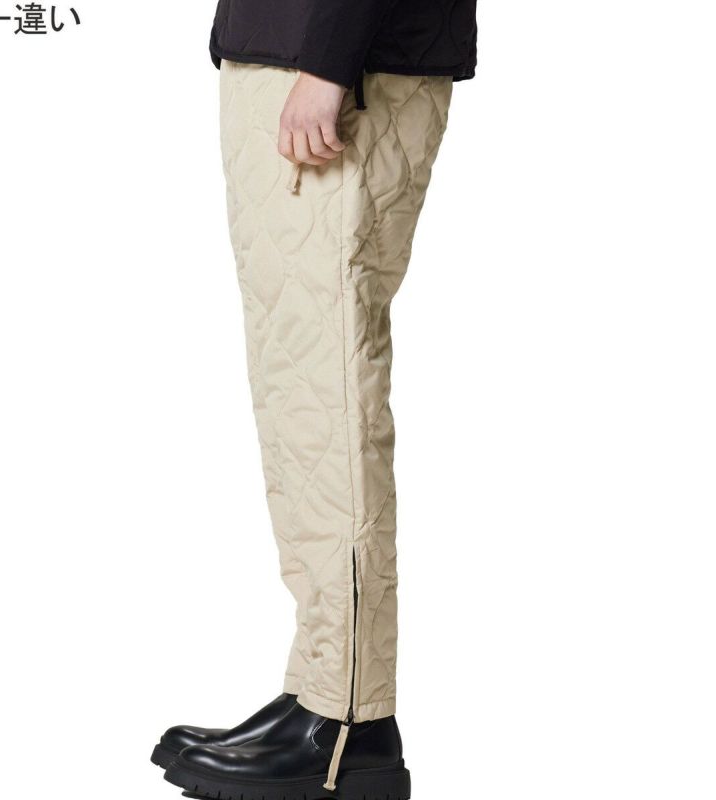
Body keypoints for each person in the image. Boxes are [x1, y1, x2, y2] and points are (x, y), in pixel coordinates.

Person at [152, 1, 477, 797]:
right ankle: (317, 691)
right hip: (289, 54)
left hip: (341, 63)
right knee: (297, 393)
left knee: (327, 392)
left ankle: (349, 721)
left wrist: (328, 58)